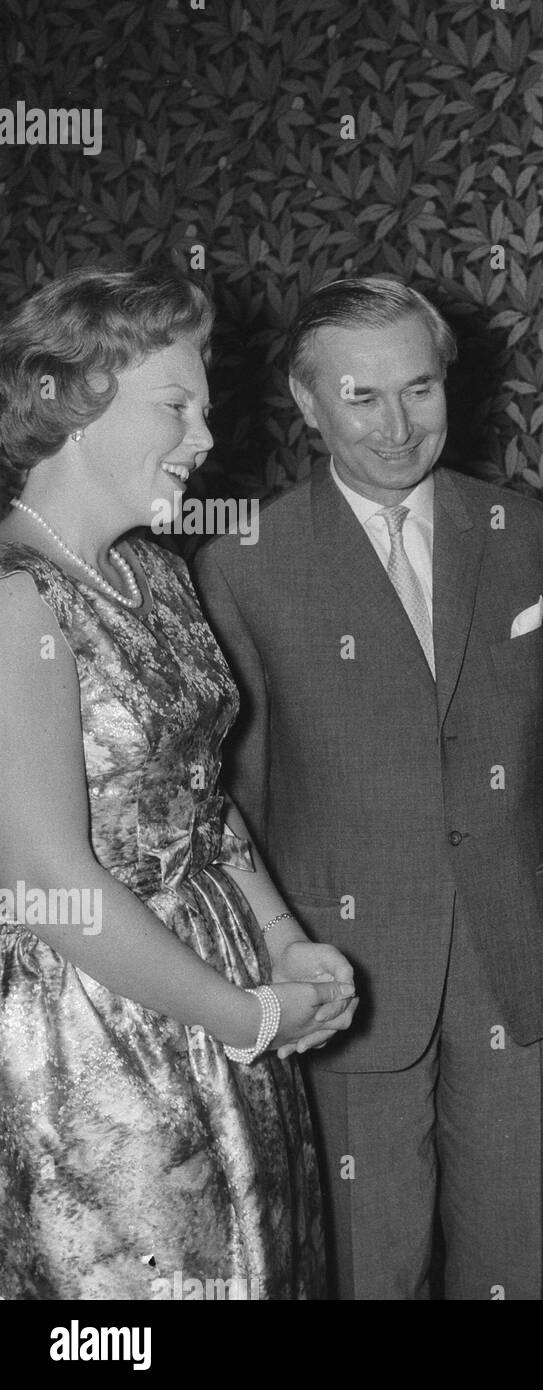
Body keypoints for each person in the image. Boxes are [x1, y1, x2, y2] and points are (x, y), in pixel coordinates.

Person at [194, 276, 543, 1300]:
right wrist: (270, 964)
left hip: (514, 951)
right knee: (369, 1265)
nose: (397, 426)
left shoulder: (530, 537)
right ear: (307, 404)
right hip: (342, 967)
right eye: (361, 398)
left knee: (514, 1260)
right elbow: (231, 801)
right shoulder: (244, 565)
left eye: (420, 390)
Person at [0, 264, 356, 1300]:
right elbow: (44, 882)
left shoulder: (154, 569)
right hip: (90, 1032)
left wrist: (283, 939)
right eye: (176, 405)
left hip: (216, 992)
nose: (205, 436)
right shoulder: (19, 599)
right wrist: (245, 1017)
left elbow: (197, 795)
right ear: (66, 403)